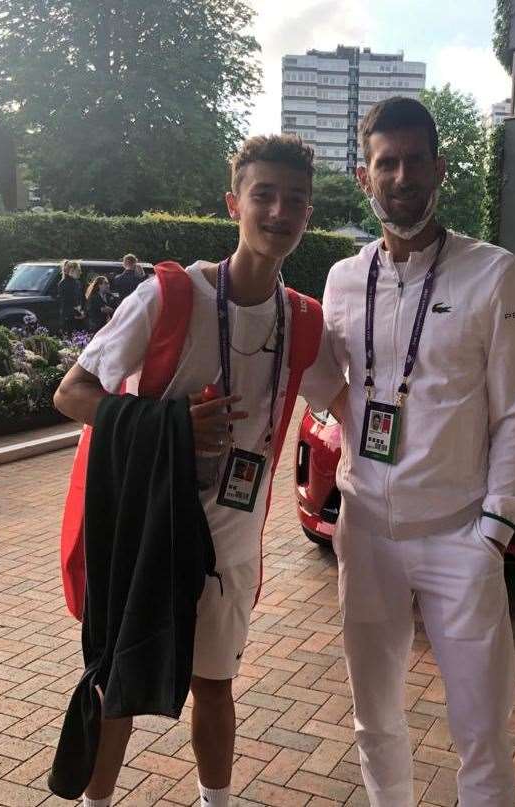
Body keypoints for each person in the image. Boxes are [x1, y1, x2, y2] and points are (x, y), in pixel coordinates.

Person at [53, 134, 325, 807]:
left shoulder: (303, 319)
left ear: (308, 214)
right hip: (149, 530)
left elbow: (350, 399)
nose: (278, 211)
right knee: (118, 683)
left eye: (293, 199)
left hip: (230, 540)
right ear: (234, 202)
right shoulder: (171, 295)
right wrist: (170, 425)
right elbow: (72, 394)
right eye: (263, 195)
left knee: (214, 684)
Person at [301, 97, 515, 806]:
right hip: (366, 532)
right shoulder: (343, 278)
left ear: (439, 168)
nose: (400, 176)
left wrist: (493, 529)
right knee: (373, 714)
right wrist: (341, 405)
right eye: (386, 163)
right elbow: (324, 379)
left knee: (480, 727)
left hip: (457, 535)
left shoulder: (492, 273)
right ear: (363, 175)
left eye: (414, 161)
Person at [57, 259, 85, 335]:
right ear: (72, 270)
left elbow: (81, 299)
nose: (80, 272)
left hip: (78, 315)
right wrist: (76, 313)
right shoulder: (64, 284)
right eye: (78, 270)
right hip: (69, 317)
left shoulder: (77, 283)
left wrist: (82, 311)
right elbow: (66, 302)